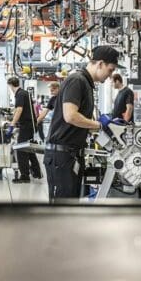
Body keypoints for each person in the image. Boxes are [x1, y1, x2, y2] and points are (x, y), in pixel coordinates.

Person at [44, 46, 120, 201]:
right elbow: (70, 116)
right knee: (62, 208)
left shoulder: (86, 83)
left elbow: (79, 120)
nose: (110, 75)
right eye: (110, 70)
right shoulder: (77, 81)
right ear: (100, 64)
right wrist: (99, 125)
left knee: (71, 205)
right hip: (62, 156)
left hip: (71, 155)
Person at [7, 77, 42, 183]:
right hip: (30, 125)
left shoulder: (19, 94)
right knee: (29, 149)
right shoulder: (25, 93)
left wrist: (12, 124)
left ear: (10, 85)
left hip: (26, 126)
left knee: (21, 149)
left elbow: (19, 109)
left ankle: (24, 176)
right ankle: (37, 172)